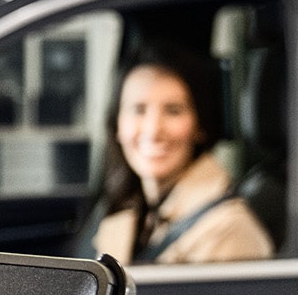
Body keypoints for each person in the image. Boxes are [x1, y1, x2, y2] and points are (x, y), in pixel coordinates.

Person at [86, 46, 274, 265]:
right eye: (138, 109)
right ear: (117, 124)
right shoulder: (133, 213)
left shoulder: (229, 231)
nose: (153, 130)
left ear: (200, 127)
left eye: (173, 110)